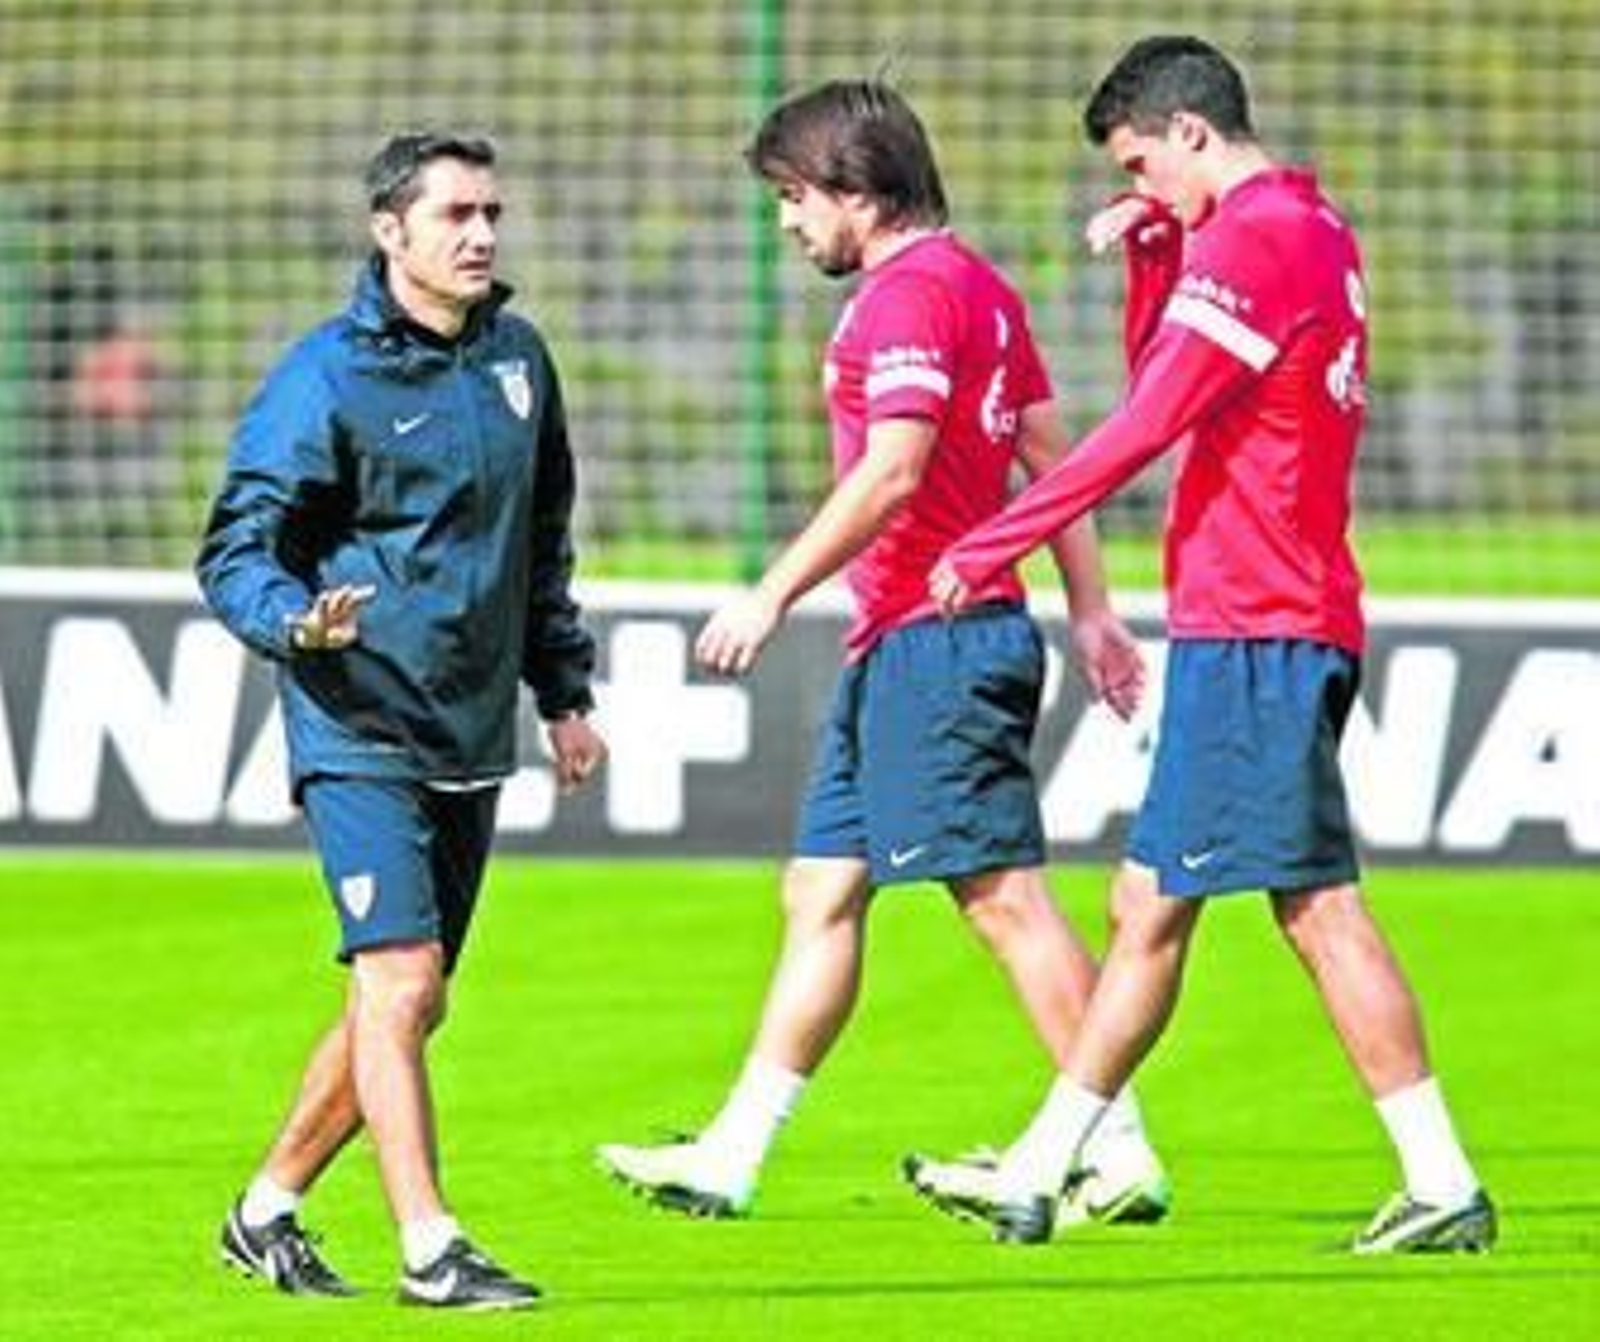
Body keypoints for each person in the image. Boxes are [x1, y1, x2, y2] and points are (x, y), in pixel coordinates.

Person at [913, 36, 1496, 1253]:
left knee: (1260, 911)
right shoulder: (1308, 228)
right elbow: (1171, 387)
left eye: (1142, 163)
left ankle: (1047, 1169)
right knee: (1176, 901)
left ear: (1190, 132)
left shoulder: (1255, 240)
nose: (1140, 186)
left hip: (1258, 623)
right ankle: (1048, 1162)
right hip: (1280, 615)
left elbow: (1139, 427)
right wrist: (1154, 254)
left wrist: (990, 540)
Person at [596, 79, 1169, 1230]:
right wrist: (1093, 612)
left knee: (1001, 895)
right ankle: (732, 1153)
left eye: (794, 198)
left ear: (856, 194)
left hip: (940, 642)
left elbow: (894, 470)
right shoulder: (981, 290)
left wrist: (772, 589)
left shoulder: (905, 300)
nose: (786, 223)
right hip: (913, 643)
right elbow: (1053, 462)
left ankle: (1112, 1147)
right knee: (820, 887)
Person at [196, 132, 605, 1309]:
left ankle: (263, 1212)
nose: (481, 235)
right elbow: (236, 546)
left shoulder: (520, 362)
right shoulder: (324, 377)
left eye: (493, 213)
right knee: (400, 977)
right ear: (391, 232)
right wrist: (295, 622)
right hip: (355, 724)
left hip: (471, 732)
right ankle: (431, 1247)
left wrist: (563, 692)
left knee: (409, 998)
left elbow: (539, 547)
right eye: (456, 215)